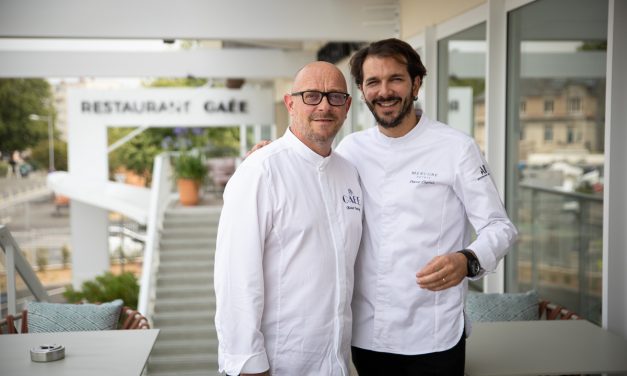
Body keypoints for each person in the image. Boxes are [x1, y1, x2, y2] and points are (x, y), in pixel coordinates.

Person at [335, 38, 518, 375]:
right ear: (362, 91)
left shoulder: (456, 148)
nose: (384, 91)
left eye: (396, 79)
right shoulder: (350, 149)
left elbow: (500, 226)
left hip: (434, 331)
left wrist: (468, 261)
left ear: (416, 83)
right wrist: (272, 156)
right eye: (373, 82)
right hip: (366, 330)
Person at [214, 61, 363, 376]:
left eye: (335, 97)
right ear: (290, 103)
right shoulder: (260, 172)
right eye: (311, 95)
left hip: (336, 363)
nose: (324, 105)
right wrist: (248, 364)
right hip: (279, 365)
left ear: (347, 106)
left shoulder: (349, 173)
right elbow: (236, 278)